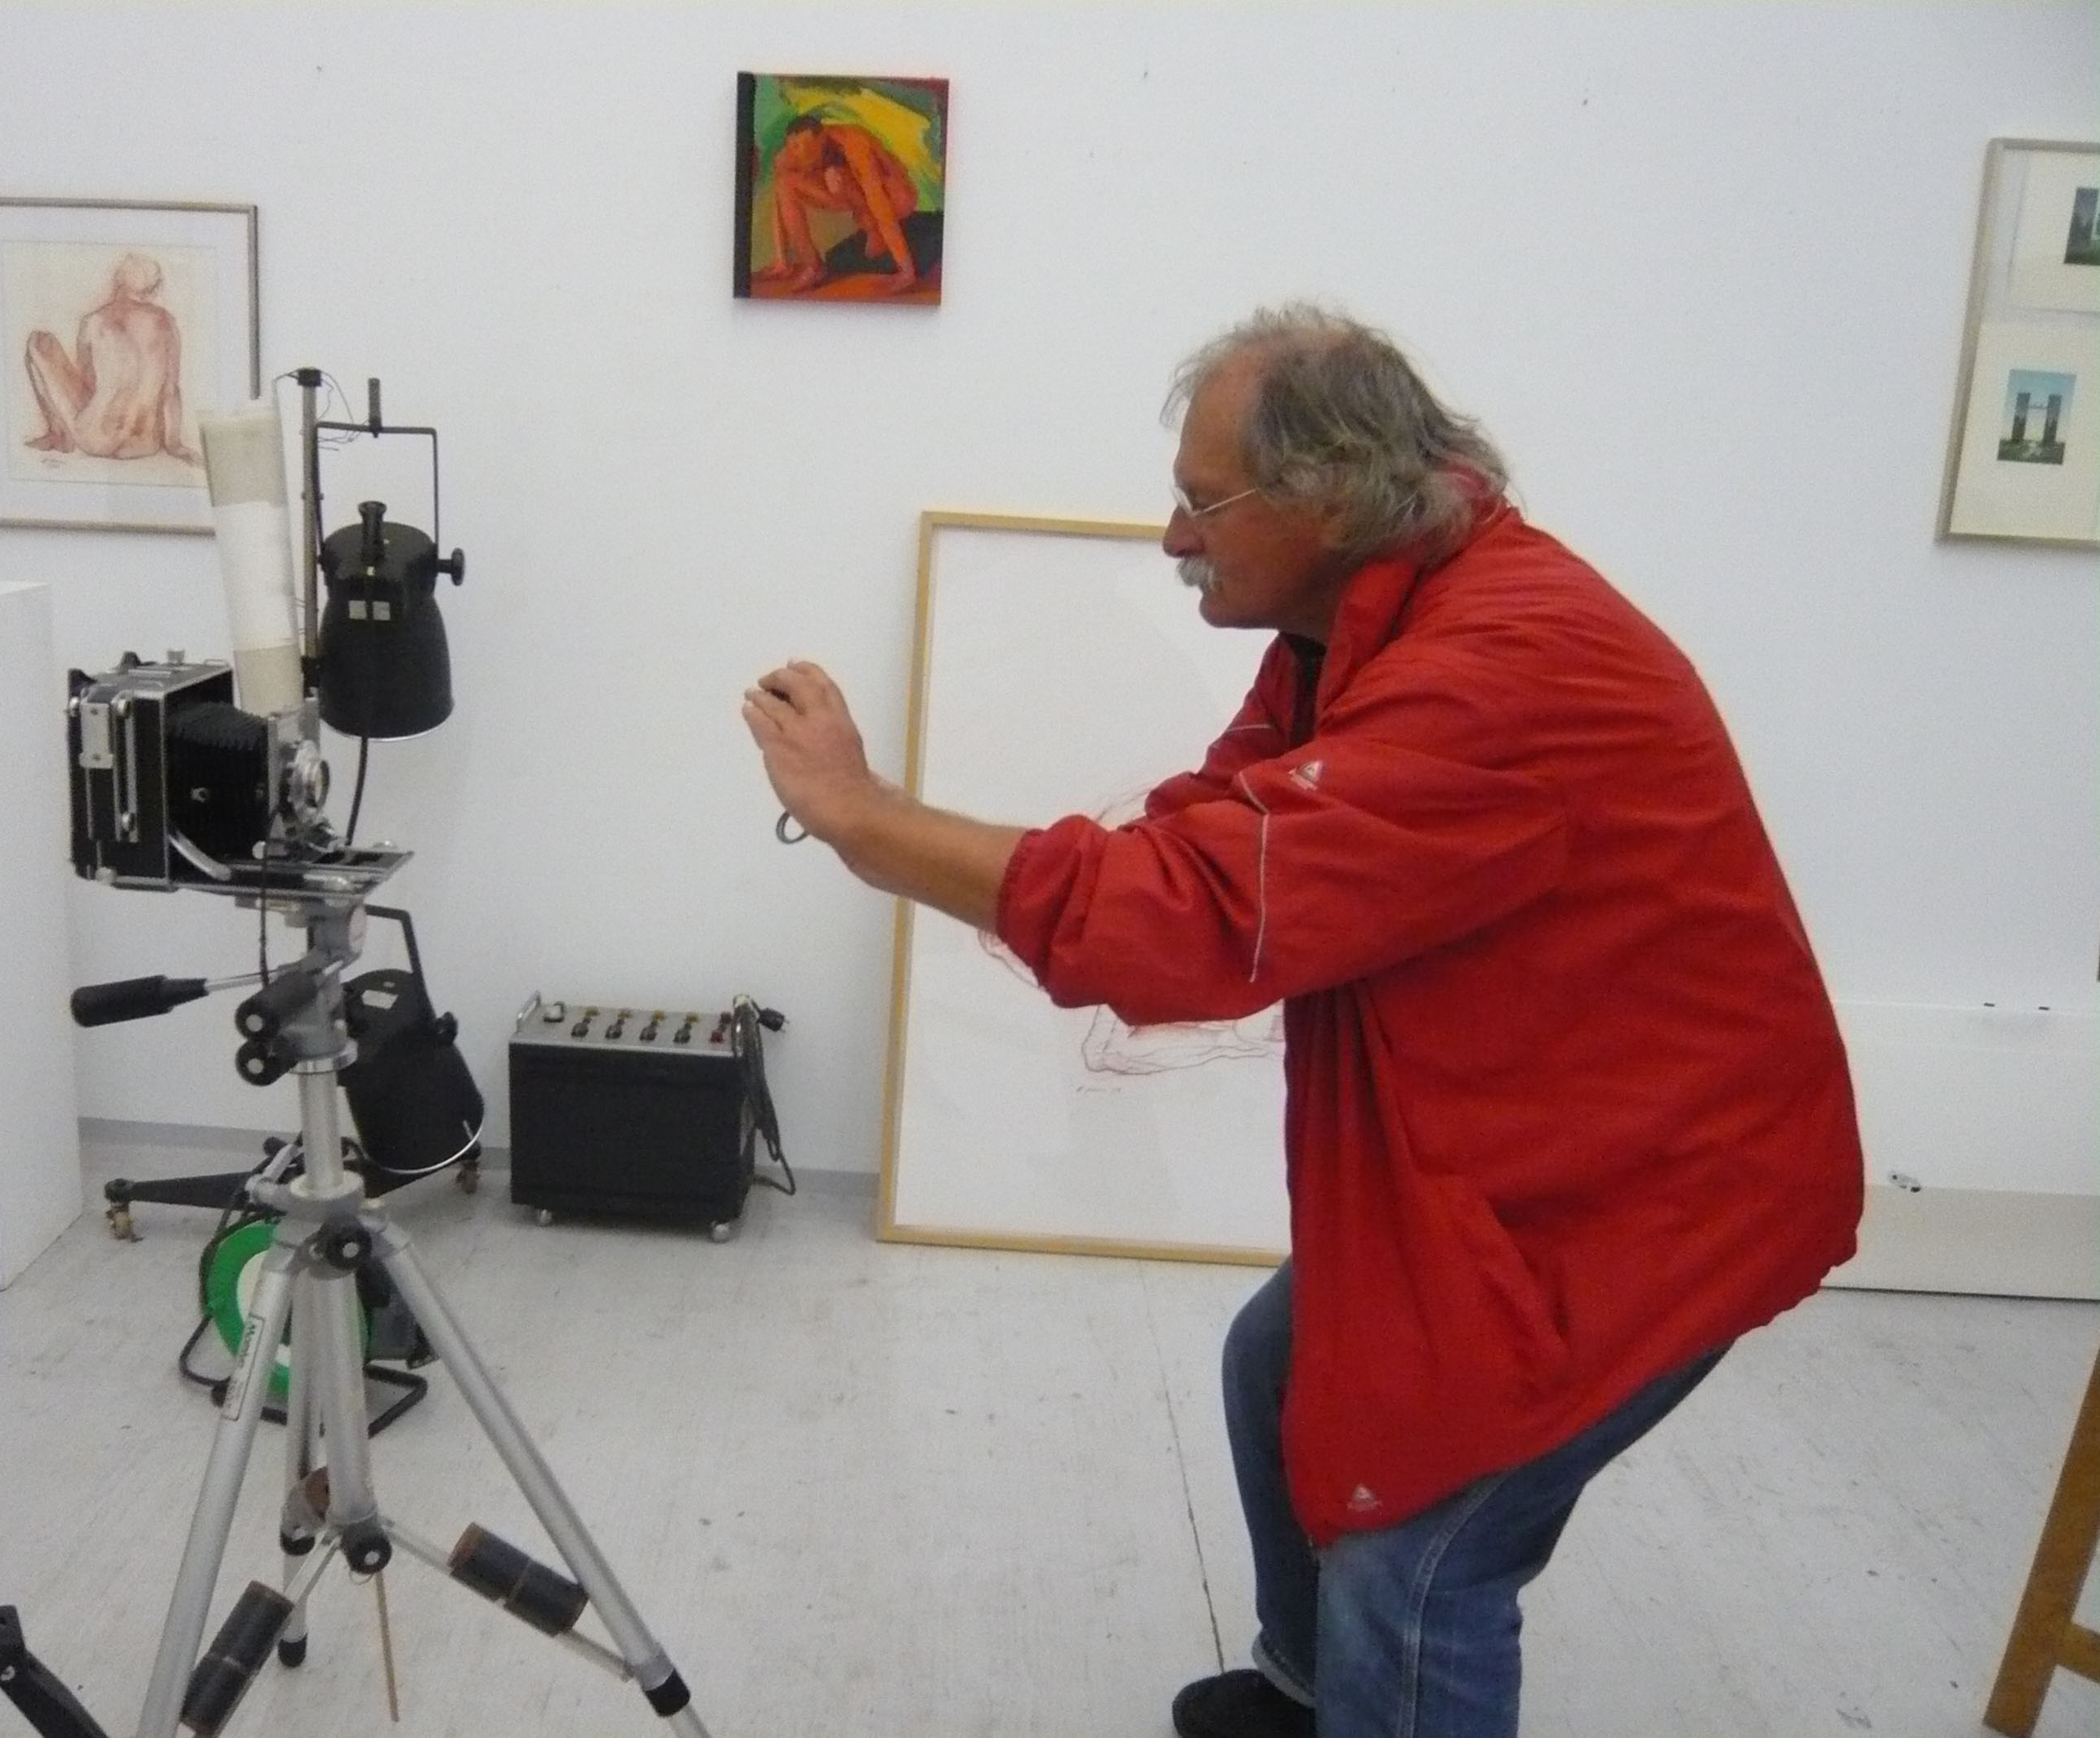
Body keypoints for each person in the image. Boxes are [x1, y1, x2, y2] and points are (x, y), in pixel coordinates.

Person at [741, 304, 1863, 1738]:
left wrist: (870, 820)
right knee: (1278, 1366)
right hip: (1541, 1155)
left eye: (1202, 503)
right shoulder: (1373, 622)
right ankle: (1306, 1694)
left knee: (1422, 1543)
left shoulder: (1498, 673)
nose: (1173, 537)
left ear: (1327, 497)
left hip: (1649, 1197)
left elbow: (1200, 914)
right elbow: (1217, 834)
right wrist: (983, 856)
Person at [23, 251, 199, 464]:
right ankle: (62, 434)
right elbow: (171, 391)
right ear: (153, 288)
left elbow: (88, 385)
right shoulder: (167, 323)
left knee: (39, 341)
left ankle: (58, 434)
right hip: (145, 445)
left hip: (96, 439)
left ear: (118, 281)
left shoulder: (94, 321)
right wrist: (175, 445)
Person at [757, 114, 934, 295]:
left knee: (838, 176)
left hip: (896, 195)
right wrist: (781, 259)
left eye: (807, 151)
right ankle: (814, 266)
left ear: (822, 138)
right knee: (785, 184)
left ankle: (873, 228)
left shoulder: (854, 143)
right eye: (793, 148)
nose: (799, 156)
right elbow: (780, 203)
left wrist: (906, 270)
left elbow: (878, 200)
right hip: (853, 195)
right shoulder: (786, 158)